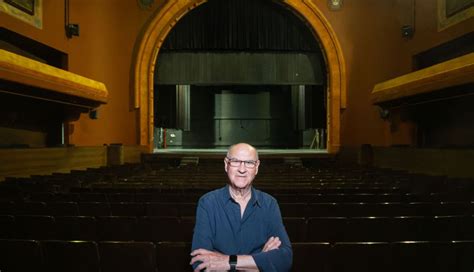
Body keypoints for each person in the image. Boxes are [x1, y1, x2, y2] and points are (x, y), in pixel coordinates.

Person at [190, 143, 292, 271]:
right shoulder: (208, 203)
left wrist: (227, 262)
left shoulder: (270, 204)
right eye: (235, 161)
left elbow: (284, 259)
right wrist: (260, 262)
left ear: (257, 167)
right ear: (226, 165)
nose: (242, 169)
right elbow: (199, 263)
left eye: (249, 162)